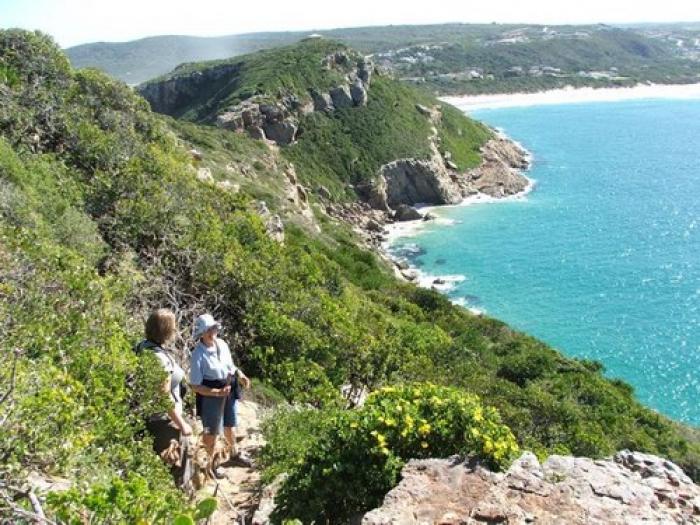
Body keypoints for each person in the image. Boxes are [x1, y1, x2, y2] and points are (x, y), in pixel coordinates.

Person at [190, 313, 251, 475]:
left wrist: (240, 375)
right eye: (208, 330)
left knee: (230, 425)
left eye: (213, 328)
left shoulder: (222, 344)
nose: (212, 333)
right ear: (201, 333)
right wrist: (217, 393)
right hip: (211, 395)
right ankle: (210, 465)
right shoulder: (198, 355)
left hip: (228, 387)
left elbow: (230, 366)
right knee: (211, 432)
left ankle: (234, 453)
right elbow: (195, 385)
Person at [134, 309, 192, 465]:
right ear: (166, 330)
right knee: (174, 464)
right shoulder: (159, 358)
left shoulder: (142, 346)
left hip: (150, 417)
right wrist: (182, 424)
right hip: (164, 422)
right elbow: (163, 395)